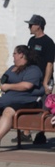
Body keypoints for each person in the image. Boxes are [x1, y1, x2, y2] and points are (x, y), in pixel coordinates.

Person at [0, 45, 44, 149]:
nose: (12, 56)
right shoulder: (11, 69)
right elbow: (1, 82)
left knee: (8, 111)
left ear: (21, 55)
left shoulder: (33, 70)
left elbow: (26, 86)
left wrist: (8, 86)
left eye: (14, 53)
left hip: (25, 102)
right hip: (3, 101)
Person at [25, 14, 54, 144]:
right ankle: (26, 133)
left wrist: (45, 82)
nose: (29, 27)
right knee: (28, 103)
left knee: (44, 106)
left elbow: (50, 64)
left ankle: (41, 134)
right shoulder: (31, 41)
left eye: (31, 25)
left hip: (44, 79)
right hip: (32, 79)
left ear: (38, 26)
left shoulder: (48, 42)